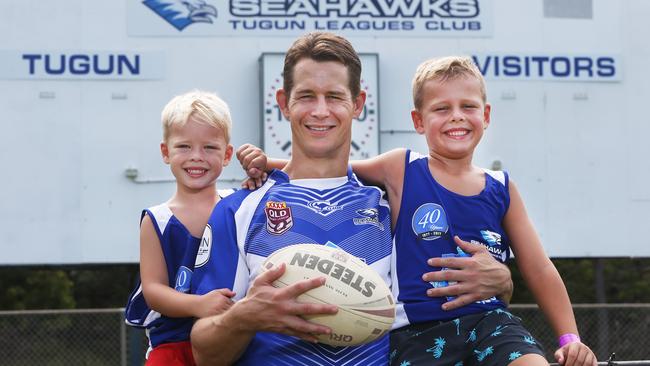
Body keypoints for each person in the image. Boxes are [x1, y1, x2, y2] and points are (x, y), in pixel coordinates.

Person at [238, 56, 598, 365]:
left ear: (485, 115)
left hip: (491, 322)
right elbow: (330, 166)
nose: (456, 117)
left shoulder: (501, 186)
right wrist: (268, 165)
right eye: (441, 109)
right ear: (418, 121)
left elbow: (539, 268)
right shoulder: (402, 168)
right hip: (416, 332)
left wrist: (570, 340)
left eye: (468, 107)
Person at [190, 33, 513, 365]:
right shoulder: (238, 209)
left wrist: (502, 281)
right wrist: (242, 317)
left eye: (334, 96)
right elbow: (203, 352)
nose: (320, 111)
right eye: (306, 96)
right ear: (284, 102)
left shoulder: (395, 205)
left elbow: (453, 287)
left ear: (358, 104)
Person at [124, 90, 236, 365]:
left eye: (209, 147)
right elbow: (154, 291)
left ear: (227, 154)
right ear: (166, 152)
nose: (196, 156)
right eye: (184, 146)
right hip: (174, 343)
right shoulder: (157, 220)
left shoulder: (239, 206)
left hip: (233, 340)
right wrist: (199, 305)